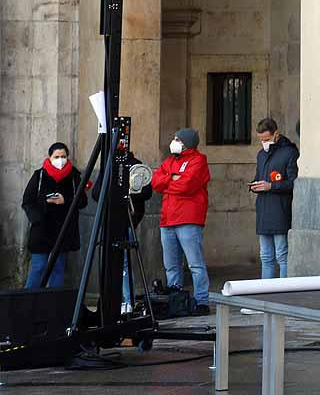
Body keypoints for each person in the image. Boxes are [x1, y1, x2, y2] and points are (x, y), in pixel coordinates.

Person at [151, 128, 212, 316]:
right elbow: (155, 182)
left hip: (188, 219)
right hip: (167, 219)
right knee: (171, 264)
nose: (174, 141)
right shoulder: (169, 161)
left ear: (186, 142)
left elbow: (187, 185)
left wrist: (168, 182)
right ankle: (175, 299)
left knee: (195, 263)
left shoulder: (198, 160)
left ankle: (202, 300)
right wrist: (172, 178)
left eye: (177, 139)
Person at [90, 137, 153, 312]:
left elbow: (146, 191)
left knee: (124, 262)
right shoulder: (107, 166)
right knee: (109, 260)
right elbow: (96, 193)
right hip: (109, 219)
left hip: (127, 220)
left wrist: (130, 191)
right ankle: (113, 299)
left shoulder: (135, 164)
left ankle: (128, 300)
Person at [22, 142, 87, 288]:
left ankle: (52, 305)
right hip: (42, 230)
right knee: (38, 267)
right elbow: (27, 202)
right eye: (56, 156)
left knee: (58, 268)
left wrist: (66, 200)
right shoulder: (39, 175)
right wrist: (38, 217)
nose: (60, 160)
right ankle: (27, 302)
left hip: (63, 229)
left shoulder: (74, 176)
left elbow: (82, 201)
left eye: (63, 156)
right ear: (50, 157)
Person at [249, 118, 300, 279]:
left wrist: (271, 186)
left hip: (280, 209)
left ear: (276, 134)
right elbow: (259, 176)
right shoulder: (261, 155)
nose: (264, 143)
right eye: (261, 140)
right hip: (264, 209)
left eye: (266, 139)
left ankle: (283, 292)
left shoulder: (290, 152)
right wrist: (254, 185)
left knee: (282, 254)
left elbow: (294, 182)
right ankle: (266, 292)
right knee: (265, 256)